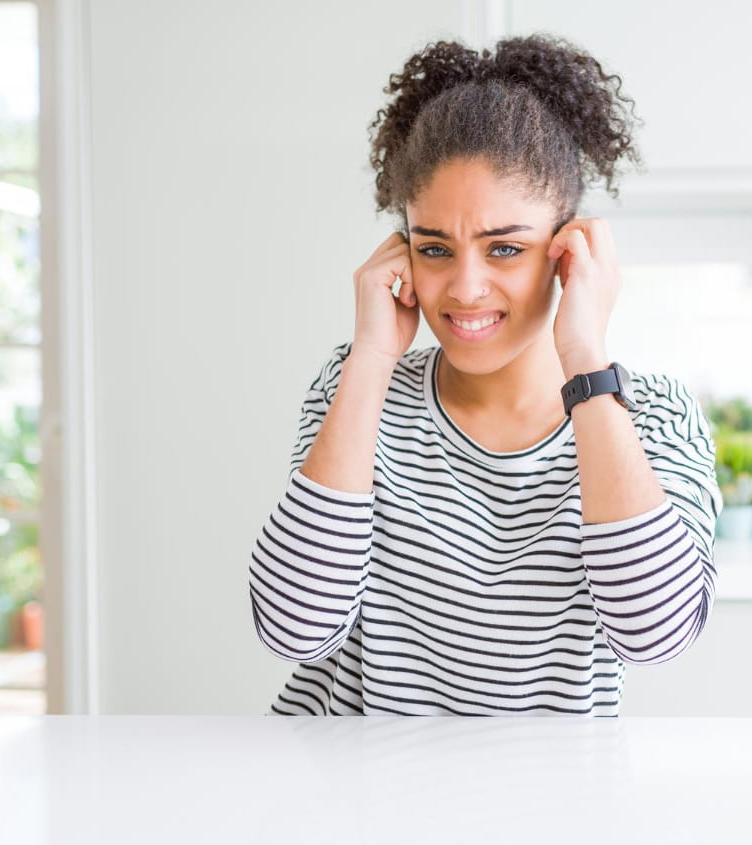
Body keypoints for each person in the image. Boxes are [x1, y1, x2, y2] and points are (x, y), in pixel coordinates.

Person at [248, 33, 721, 716]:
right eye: (434, 247)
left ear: (567, 251)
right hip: (347, 803)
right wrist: (371, 358)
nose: (465, 288)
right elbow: (294, 628)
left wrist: (585, 356)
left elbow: (657, 634)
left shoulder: (651, 415)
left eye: (505, 247)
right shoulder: (354, 386)